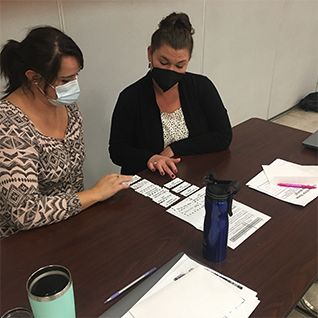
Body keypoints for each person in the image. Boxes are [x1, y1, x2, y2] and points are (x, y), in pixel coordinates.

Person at [0, 26, 132, 239]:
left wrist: (89, 200)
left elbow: (73, 179)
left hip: (70, 225)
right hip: (23, 243)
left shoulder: (67, 106)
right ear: (34, 78)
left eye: (75, 76)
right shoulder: (8, 124)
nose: (74, 86)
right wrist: (94, 194)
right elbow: (24, 213)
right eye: (64, 80)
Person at [109, 12, 232, 179]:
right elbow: (118, 151)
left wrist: (175, 149)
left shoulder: (201, 87)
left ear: (188, 60)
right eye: (163, 62)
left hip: (194, 175)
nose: (170, 72)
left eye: (180, 65)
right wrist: (151, 158)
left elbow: (223, 135)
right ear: (150, 53)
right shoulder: (131, 98)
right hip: (149, 181)